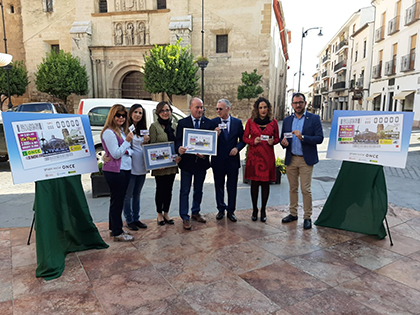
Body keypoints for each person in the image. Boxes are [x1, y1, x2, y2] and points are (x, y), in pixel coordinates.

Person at [280, 92, 324, 230]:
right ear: (292, 104)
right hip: (291, 158)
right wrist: (283, 143)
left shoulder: (314, 118)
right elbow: (283, 138)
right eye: (295, 103)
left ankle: (307, 217)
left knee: (305, 189)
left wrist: (303, 137)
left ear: (305, 103)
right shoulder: (287, 120)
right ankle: (293, 214)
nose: (298, 105)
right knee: (293, 188)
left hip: (306, 160)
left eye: (300, 102)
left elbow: (319, 138)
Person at [176, 97, 217, 230]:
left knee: (198, 190)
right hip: (187, 163)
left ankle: (195, 212)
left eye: (201, 107)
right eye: (197, 107)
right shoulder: (182, 123)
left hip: (201, 163)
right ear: (190, 108)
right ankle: (184, 216)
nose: (200, 110)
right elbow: (177, 141)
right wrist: (179, 149)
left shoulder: (209, 123)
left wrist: (206, 153)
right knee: (184, 191)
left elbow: (212, 144)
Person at [101, 104, 134, 242]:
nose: (121, 118)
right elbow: (115, 154)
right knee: (117, 201)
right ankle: (117, 232)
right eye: (118, 115)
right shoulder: (109, 132)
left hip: (124, 169)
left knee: (116, 200)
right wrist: (126, 143)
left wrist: (125, 148)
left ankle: (113, 227)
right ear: (112, 116)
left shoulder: (121, 131)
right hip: (115, 171)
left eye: (123, 115)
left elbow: (130, 151)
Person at [243, 97, 279, 222]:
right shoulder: (250, 122)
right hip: (254, 158)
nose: (263, 110)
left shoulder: (273, 122)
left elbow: (278, 138)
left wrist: (273, 141)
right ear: (257, 109)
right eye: (260, 108)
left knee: (265, 184)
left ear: (268, 108)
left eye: (265, 107)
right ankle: (254, 209)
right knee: (254, 184)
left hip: (267, 157)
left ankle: (263, 209)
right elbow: (244, 138)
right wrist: (253, 141)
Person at [211, 99, 245, 222]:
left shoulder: (237, 122)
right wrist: (214, 135)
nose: (218, 111)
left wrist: (237, 148)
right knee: (219, 186)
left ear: (228, 109)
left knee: (232, 187)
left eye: (220, 108)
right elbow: (207, 142)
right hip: (218, 161)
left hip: (232, 161)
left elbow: (243, 139)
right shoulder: (213, 123)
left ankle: (231, 211)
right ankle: (220, 209)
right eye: (217, 109)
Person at [149, 101, 181, 226]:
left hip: (171, 164)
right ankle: (159, 214)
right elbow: (151, 147)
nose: (165, 113)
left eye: (167, 110)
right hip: (159, 166)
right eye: (162, 110)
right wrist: (156, 163)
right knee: (160, 189)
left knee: (169, 189)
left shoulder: (174, 127)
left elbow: (177, 144)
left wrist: (179, 156)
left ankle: (166, 213)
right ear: (158, 112)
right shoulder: (154, 126)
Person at [123, 104, 149, 231]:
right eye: (136, 112)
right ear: (131, 113)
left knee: (137, 194)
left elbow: (145, 147)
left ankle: (136, 218)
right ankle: (129, 219)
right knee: (128, 194)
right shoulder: (125, 129)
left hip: (142, 165)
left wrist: (146, 142)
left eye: (140, 113)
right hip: (130, 166)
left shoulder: (143, 129)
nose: (138, 115)